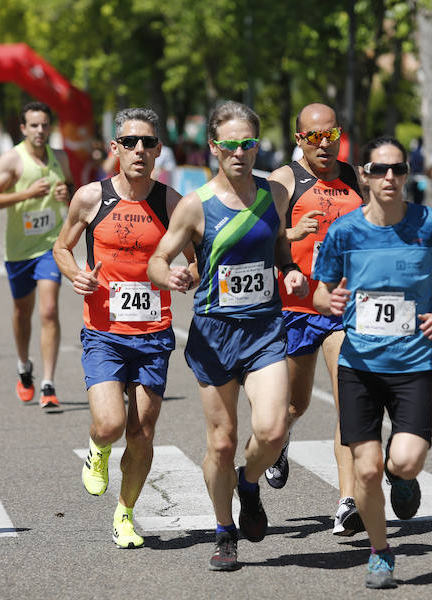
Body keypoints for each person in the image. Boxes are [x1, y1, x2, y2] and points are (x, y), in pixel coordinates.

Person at [147, 101, 308, 571]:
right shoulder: (196, 205)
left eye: (249, 143)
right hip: (215, 335)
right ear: (215, 147)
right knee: (222, 440)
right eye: (231, 145)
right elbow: (159, 258)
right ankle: (224, 531)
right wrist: (169, 277)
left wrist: (290, 270)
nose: (241, 152)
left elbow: (278, 242)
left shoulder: (274, 193)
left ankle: (250, 483)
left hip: (264, 329)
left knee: (274, 429)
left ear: (258, 145)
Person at [313, 136, 432, 589]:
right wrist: (329, 301)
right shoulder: (344, 231)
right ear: (364, 174)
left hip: (413, 363)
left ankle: (403, 478)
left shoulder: (430, 224)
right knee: (365, 469)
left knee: (407, 459)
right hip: (359, 364)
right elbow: (320, 291)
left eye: (398, 169)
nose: (389, 178)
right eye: (380, 170)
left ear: (408, 172)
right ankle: (381, 552)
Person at [53, 108, 195, 549]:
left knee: (143, 432)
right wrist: (75, 273)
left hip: (154, 333)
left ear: (158, 151)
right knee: (112, 423)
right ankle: (98, 448)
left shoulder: (172, 203)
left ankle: (126, 512)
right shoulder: (90, 198)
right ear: (115, 148)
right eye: (130, 142)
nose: (139, 150)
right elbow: (62, 246)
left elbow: (196, 258)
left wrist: (188, 273)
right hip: (104, 330)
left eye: (148, 143)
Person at [263, 103, 365, 536]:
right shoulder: (284, 182)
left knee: (350, 400)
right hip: (295, 308)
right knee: (294, 405)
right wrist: (289, 239)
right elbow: (259, 238)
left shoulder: (357, 177)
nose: (324, 144)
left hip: (344, 309)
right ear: (298, 138)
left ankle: (347, 502)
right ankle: (280, 440)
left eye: (331, 135)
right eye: (313, 137)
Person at [0, 101, 73, 409]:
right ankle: (24, 367)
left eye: (45, 125)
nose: (40, 130)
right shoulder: (12, 160)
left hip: (51, 245)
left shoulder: (60, 157)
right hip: (19, 250)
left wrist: (67, 194)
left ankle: (48, 383)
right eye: (34, 125)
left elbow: (73, 192)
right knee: (23, 312)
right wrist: (26, 193)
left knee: (48, 311)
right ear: (23, 128)